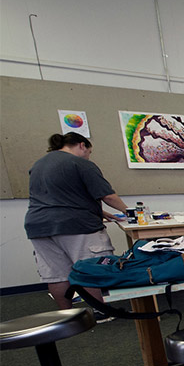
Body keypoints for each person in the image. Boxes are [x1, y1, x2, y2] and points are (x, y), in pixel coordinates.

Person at [24, 132, 129, 311]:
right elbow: (108, 196)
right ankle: (101, 311)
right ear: (82, 145)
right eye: (89, 151)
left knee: (57, 275)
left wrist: (99, 212)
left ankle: (69, 315)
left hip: (39, 226)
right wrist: (131, 212)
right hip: (76, 226)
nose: (89, 155)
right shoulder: (80, 163)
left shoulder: (39, 164)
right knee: (89, 270)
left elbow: (58, 197)